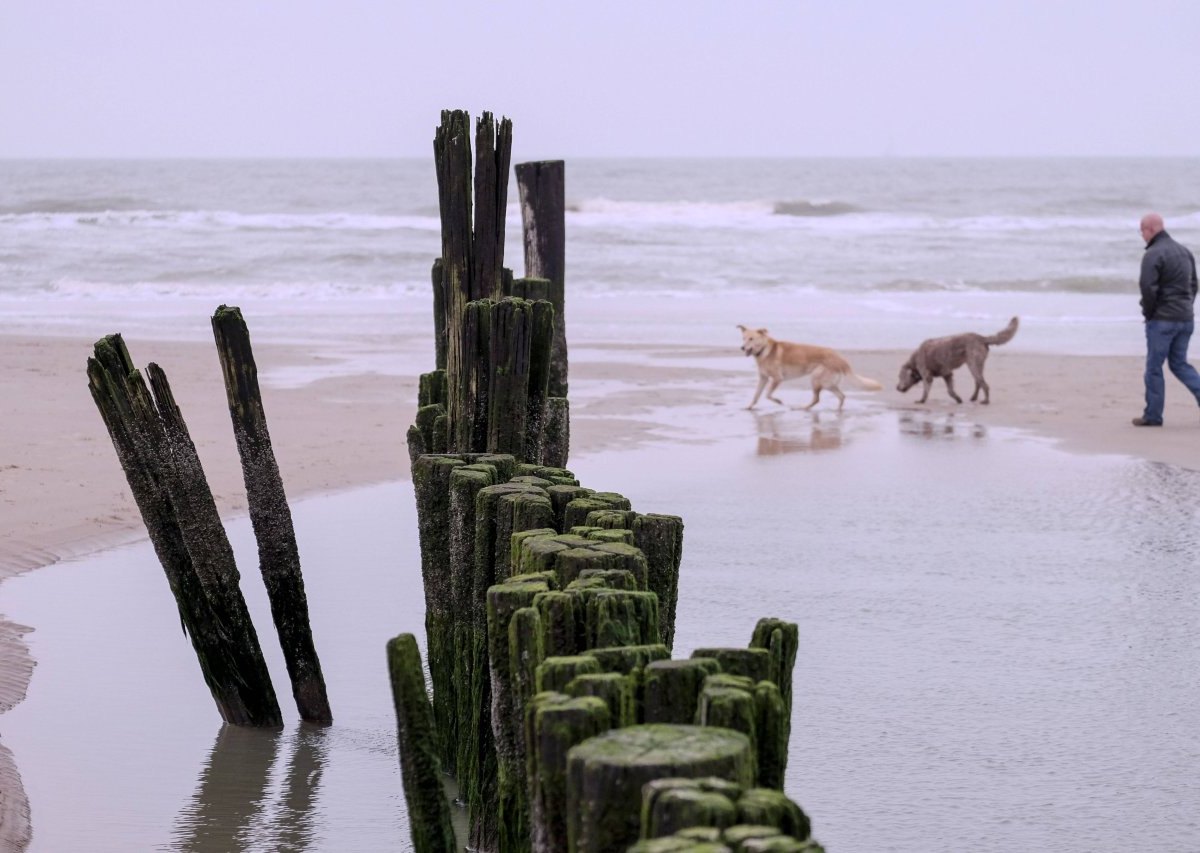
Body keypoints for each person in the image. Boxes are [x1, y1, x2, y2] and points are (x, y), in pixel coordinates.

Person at [1132, 212, 1200, 427]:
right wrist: (1186, 308)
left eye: (1141, 230)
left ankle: (1153, 416)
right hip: (1185, 318)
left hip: (1162, 320)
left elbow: (1147, 288)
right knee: (1179, 364)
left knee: (1154, 367)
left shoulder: (1153, 253)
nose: (1141, 235)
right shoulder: (1184, 251)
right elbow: (1194, 285)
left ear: (1149, 229)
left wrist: (1149, 313)